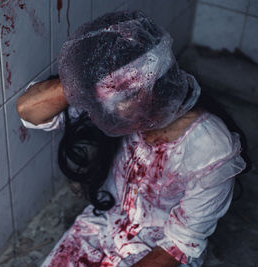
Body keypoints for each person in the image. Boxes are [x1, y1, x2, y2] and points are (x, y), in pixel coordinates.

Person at [16, 11, 247, 267]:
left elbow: (179, 245)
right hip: (103, 225)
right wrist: (82, 80)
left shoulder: (211, 150)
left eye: (123, 98)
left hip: (161, 251)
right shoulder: (112, 105)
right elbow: (29, 111)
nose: (107, 110)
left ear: (156, 88)